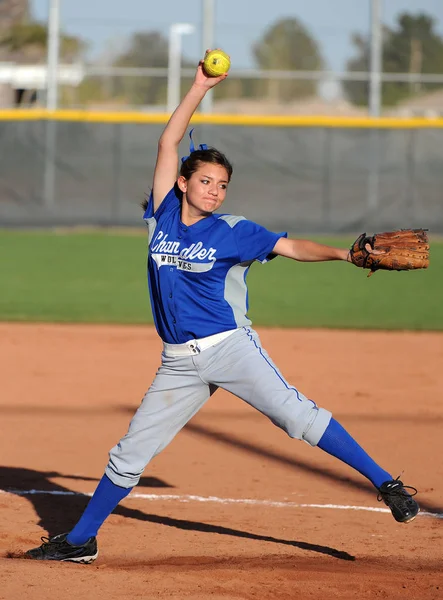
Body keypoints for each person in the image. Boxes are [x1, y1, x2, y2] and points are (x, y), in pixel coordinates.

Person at [25, 54, 419, 564]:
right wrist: (198, 87)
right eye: (206, 180)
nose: (214, 190)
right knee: (130, 453)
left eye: (222, 184)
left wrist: (346, 253)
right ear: (184, 183)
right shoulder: (162, 214)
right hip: (177, 362)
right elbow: (169, 143)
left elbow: (291, 246)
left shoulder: (235, 230)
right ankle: (80, 541)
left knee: (297, 418)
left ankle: (386, 483)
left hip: (230, 348)